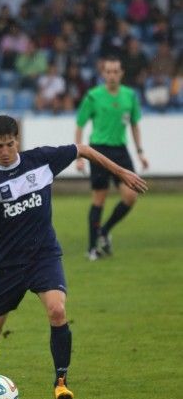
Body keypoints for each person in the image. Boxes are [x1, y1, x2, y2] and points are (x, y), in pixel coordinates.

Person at [0, 115, 147, 399]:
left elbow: (82, 149)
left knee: (58, 311)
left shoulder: (41, 160)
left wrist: (121, 172)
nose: (5, 151)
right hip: (8, 264)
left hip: (43, 256)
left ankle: (61, 382)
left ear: (17, 140)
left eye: (10, 144)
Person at [75, 56, 149, 261]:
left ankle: (104, 230)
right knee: (99, 198)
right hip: (99, 150)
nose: (112, 75)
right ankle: (92, 248)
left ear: (121, 73)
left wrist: (140, 152)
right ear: (103, 74)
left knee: (131, 196)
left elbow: (134, 125)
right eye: (108, 71)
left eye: (116, 71)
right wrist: (79, 155)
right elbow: (80, 124)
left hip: (121, 150)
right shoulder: (93, 96)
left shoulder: (130, 96)